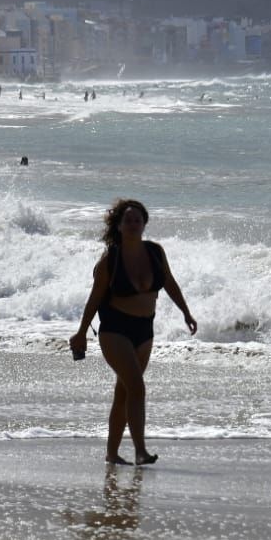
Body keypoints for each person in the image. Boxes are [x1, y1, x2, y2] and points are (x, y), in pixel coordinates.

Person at [71, 199, 197, 466]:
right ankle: (140, 451)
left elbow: (170, 283)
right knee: (137, 387)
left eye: (137, 220)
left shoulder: (155, 252)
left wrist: (186, 312)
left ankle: (112, 453)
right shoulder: (110, 260)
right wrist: (81, 332)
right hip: (115, 330)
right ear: (118, 225)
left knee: (125, 391)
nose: (132, 224)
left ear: (144, 224)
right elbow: (94, 299)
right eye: (127, 220)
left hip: (145, 330)